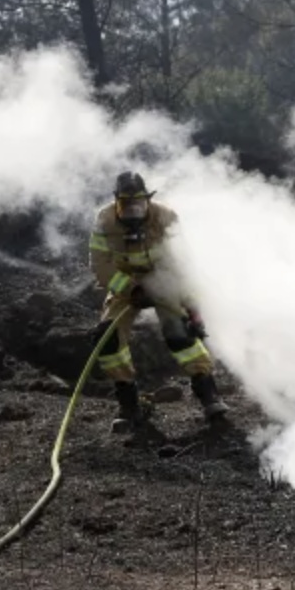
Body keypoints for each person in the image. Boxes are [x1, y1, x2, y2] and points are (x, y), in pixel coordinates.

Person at [88, 171, 227, 430]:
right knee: (107, 338)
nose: (133, 211)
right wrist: (132, 290)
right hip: (126, 283)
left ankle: (209, 395)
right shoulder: (105, 221)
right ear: (116, 202)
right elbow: (100, 265)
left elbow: (183, 263)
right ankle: (129, 404)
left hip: (163, 279)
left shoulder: (166, 217)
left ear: (148, 200)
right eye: (126, 205)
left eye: (139, 204)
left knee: (180, 334)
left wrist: (192, 306)